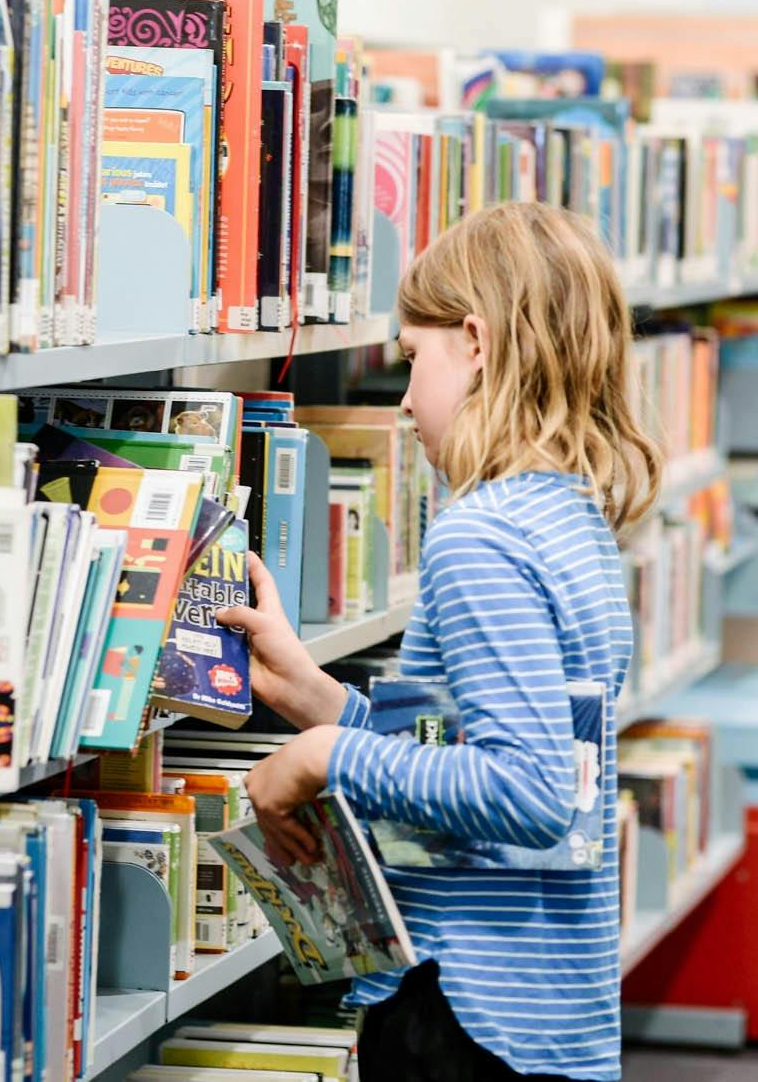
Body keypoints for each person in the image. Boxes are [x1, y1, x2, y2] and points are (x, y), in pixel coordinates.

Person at [219, 201, 659, 1082]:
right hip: (547, 1010)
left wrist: (324, 754)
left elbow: (530, 791)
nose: (408, 398)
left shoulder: (480, 535)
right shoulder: (569, 518)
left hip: (466, 1014)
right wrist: (319, 694)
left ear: (479, 341)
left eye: (414, 360)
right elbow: (486, 745)